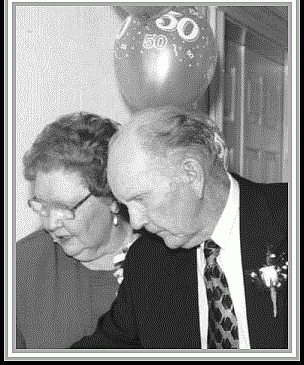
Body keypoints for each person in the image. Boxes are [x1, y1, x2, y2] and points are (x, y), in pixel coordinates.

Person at [70, 106, 288, 349]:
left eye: (140, 199)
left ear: (192, 175)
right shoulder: (147, 261)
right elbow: (106, 346)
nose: (135, 221)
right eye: (125, 205)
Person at [16, 111, 142, 349]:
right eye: (42, 206)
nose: (50, 223)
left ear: (112, 197)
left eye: (64, 208)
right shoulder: (21, 265)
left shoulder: (166, 260)